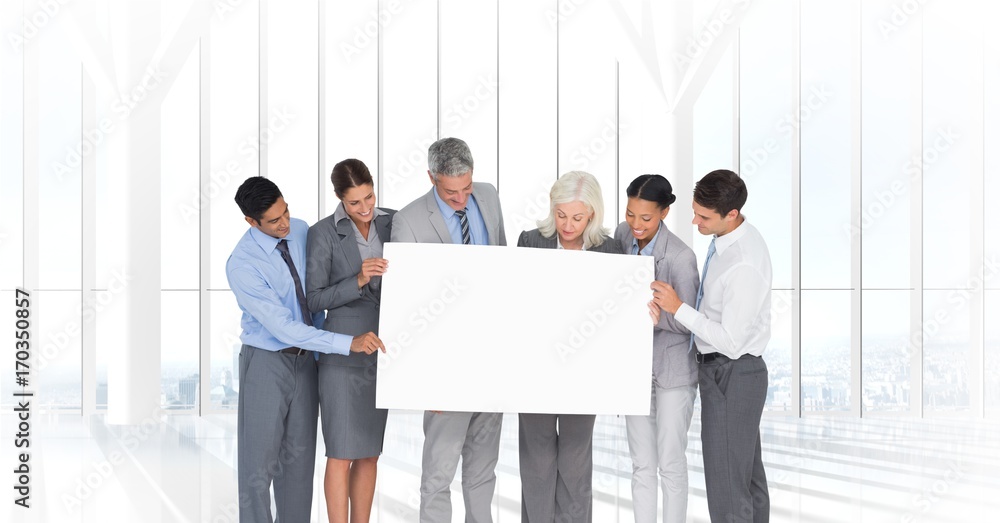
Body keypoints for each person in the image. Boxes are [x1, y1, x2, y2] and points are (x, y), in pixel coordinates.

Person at [226, 176, 386, 523]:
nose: (284, 223)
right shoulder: (242, 264)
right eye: (273, 220)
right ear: (251, 222)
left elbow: (317, 291)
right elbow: (283, 327)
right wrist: (348, 343)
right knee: (258, 468)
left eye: (285, 211)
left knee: (298, 466)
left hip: (309, 363)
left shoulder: (299, 230)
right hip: (267, 362)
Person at [391, 137, 507, 523]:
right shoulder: (408, 221)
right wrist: (425, 377)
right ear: (430, 177)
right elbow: (407, 306)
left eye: (466, 188)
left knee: (483, 471)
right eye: (450, 191)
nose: (461, 199)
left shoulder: (488, 196)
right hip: (445, 365)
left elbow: (503, 265)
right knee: (439, 475)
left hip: (491, 355)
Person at [650, 169, 771, 523]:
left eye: (703, 217)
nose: (694, 221)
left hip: (731, 372)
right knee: (747, 479)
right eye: (694, 211)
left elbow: (731, 342)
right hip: (730, 373)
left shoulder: (744, 262)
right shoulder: (728, 241)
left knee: (727, 488)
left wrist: (677, 308)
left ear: (731, 214)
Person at [516, 171, 620, 523]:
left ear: (592, 213)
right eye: (561, 215)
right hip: (536, 369)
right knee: (536, 463)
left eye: (577, 217)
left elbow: (615, 311)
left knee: (576, 464)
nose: (567, 225)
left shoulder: (609, 248)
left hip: (584, 372)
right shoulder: (531, 241)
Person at [306, 159, 394, 523]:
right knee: (341, 453)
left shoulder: (394, 222)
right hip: (343, 353)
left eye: (369, 197)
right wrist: (358, 279)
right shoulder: (323, 232)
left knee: (370, 453)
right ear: (340, 199)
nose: (365, 208)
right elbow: (314, 299)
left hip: (382, 351)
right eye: (355, 202)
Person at [614, 174, 699, 523]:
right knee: (641, 464)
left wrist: (657, 317)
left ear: (664, 212)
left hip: (672, 372)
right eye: (630, 213)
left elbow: (691, 322)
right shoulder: (621, 236)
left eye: (645, 218)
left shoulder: (680, 257)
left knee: (671, 462)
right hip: (635, 369)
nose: (635, 224)